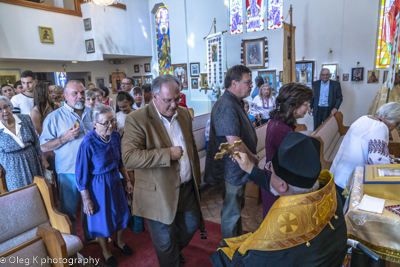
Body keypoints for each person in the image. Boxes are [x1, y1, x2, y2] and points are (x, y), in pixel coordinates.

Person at [210, 132, 347, 267]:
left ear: (283, 185)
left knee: (223, 252)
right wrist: (250, 169)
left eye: (271, 170)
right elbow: (279, 185)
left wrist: (239, 252)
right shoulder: (328, 193)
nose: (270, 172)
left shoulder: (280, 236)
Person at [122, 75, 202, 267]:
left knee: (192, 223)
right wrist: (167, 155)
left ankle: (172, 254)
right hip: (157, 192)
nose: (174, 104)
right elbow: (129, 157)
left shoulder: (183, 114)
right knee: (165, 241)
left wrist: (197, 179)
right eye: (168, 100)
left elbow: (190, 147)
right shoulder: (136, 119)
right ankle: (171, 259)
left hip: (187, 187)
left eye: (177, 98)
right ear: (154, 96)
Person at [205, 65, 258, 240]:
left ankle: (237, 244)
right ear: (234, 83)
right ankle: (229, 253)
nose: (251, 86)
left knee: (236, 209)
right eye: (248, 82)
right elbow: (234, 143)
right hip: (230, 170)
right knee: (231, 213)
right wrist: (253, 157)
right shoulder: (226, 105)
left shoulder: (235, 102)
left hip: (236, 168)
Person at [76, 104, 133, 267]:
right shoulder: (87, 143)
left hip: (115, 180)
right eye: (106, 122)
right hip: (98, 186)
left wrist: (128, 180)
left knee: (123, 213)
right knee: (102, 220)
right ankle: (106, 251)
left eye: (112, 121)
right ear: (94, 124)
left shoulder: (115, 135)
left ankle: (119, 242)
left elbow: (121, 161)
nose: (111, 125)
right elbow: (81, 175)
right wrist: (86, 199)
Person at [40, 80, 93, 240]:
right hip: (69, 171)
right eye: (75, 93)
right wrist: (64, 138)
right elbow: (43, 146)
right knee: (69, 210)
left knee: (90, 207)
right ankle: (72, 243)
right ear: (65, 96)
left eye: (82, 93)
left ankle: (91, 237)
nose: (80, 96)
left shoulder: (92, 113)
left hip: (92, 169)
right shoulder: (54, 117)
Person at [261, 83, 314, 218]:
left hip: (275, 179)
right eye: (306, 104)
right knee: (280, 225)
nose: (308, 108)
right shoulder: (282, 129)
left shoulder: (279, 122)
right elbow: (294, 162)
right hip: (278, 184)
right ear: (294, 105)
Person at [330, 102, 400, 204]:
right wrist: (394, 169)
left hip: (337, 174)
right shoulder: (380, 126)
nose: (396, 127)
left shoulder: (364, 118)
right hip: (349, 181)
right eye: (397, 123)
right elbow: (377, 160)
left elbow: (368, 149)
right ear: (386, 117)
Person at [0, 96, 49, 191]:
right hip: (12, 168)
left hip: (32, 160)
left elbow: (35, 140)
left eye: (6, 107)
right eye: (0, 109)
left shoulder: (25, 118)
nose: (5, 111)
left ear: (11, 107)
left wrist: (43, 159)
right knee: (20, 195)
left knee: (39, 190)